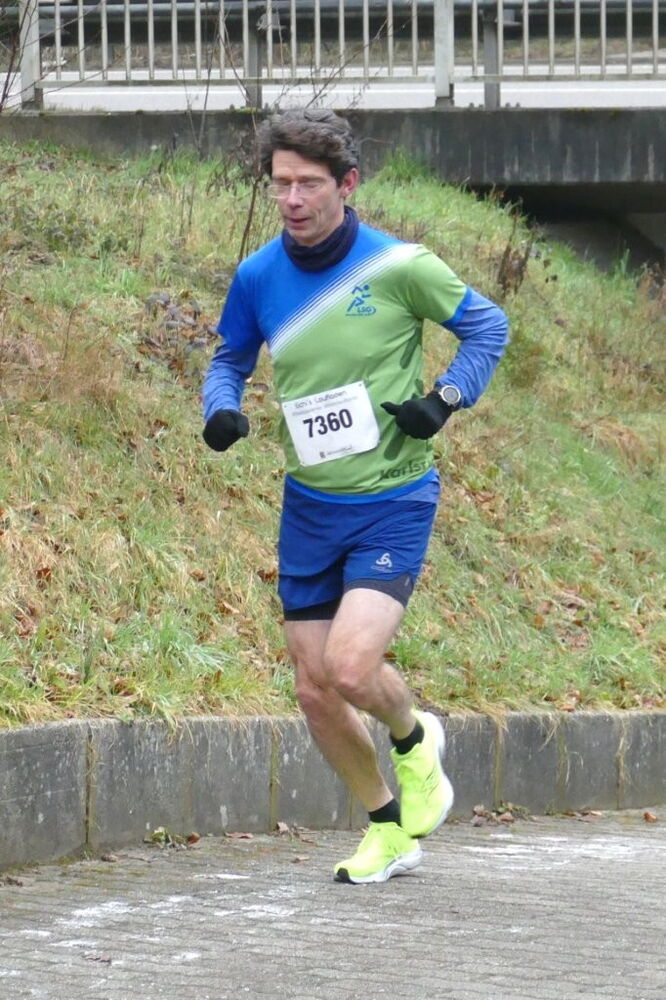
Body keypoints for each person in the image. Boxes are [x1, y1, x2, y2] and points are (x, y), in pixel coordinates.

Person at [202, 108, 508, 884]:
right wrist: (221, 408)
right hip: (310, 504)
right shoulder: (258, 276)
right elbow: (229, 358)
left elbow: (488, 328)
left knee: (347, 665)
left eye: (308, 184)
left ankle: (414, 737)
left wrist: (444, 399)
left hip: (392, 498)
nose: (292, 200)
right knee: (314, 692)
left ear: (347, 184)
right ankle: (387, 828)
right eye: (280, 185)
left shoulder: (401, 266)